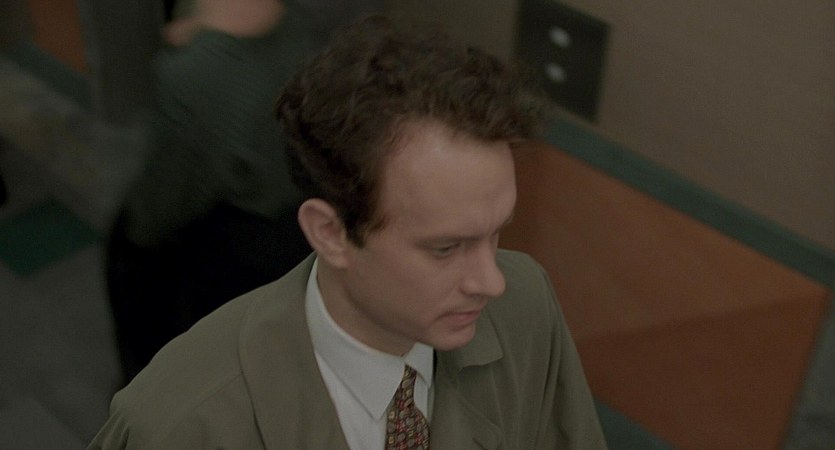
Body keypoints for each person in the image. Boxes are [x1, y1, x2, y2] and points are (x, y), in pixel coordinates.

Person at [90, 13, 608, 450]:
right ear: (330, 233)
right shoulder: (177, 424)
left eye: (495, 235)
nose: (493, 282)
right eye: (447, 248)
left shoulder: (528, 306)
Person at [105, 0, 379, 384]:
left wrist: (137, 240)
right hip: (305, 217)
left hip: (242, 242)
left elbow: (161, 206)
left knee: (130, 254)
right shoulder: (304, 31)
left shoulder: (196, 74)